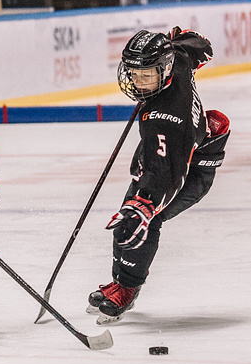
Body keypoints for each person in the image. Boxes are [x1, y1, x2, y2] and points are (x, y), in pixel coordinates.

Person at [88, 27, 230, 324]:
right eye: (134, 73)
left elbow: (169, 175)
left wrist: (146, 205)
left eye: (146, 75)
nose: (138, 82)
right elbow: (198, 43)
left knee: (138, 222)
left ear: (164, 70)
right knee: (128, 217)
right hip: (177, 153)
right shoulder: (176, 57)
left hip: (190, 171)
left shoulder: (166, 120)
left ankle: (127, 289)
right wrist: (178, 38)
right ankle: (121, 281)